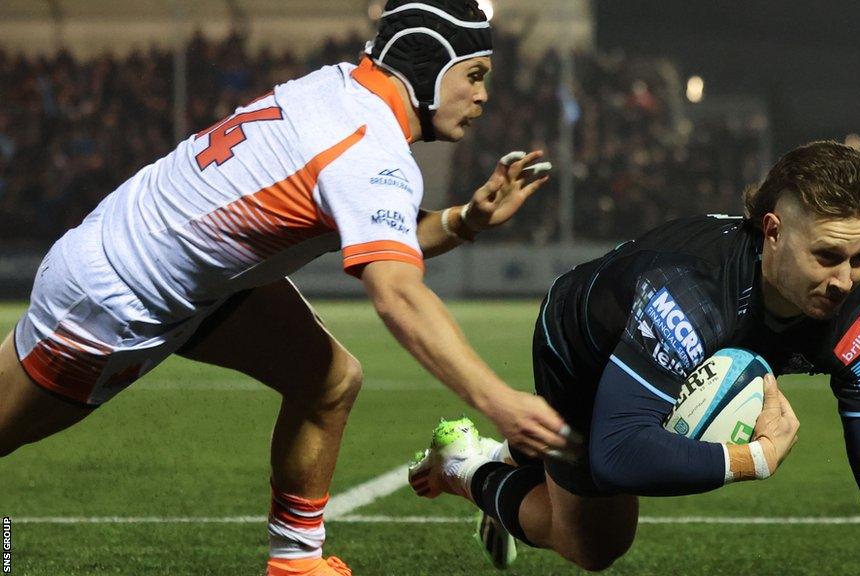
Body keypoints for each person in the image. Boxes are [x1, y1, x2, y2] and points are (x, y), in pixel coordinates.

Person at [0, 2, 579, 575]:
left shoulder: (338, 88)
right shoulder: (368, 151)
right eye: (474, 76)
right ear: (426, 65)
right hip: (118, 299)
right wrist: (497, 401)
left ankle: (296, 564)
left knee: (327, 379)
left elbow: (369, 219)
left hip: (168, 261)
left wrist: (464, 221)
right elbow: (398, 293)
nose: (483, 96)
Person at [411, 141, 860, 576]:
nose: (845, 281)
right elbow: (618, 454)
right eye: (827, 255)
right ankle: (465, 464)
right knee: (594, 545)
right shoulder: (688, 293)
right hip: (584, 340)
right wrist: (752, 458)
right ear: (773, 232)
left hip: (682, 347)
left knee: (607, 472)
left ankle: (526, 450)